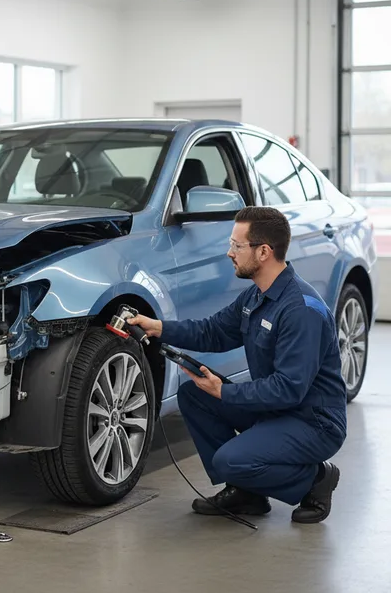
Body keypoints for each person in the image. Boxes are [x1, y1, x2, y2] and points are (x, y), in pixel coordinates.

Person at [128, 206, 347, 524]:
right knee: (194, 396)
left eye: (236, 245)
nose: (229, 252)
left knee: (230, 459)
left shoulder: (301, 311)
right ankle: (248, 494)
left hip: (313, 421)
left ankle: (316, 479)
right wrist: (158, 327)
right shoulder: (256, 297)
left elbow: (289, 390)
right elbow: (211, 332)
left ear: (263, 252)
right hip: (277, 408)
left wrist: (225, 392)